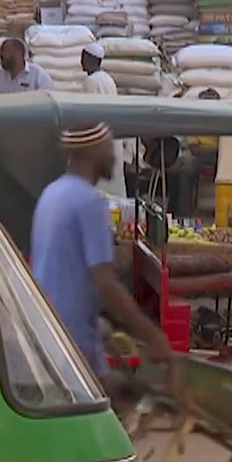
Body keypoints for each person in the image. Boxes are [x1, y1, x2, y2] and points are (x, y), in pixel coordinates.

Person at [31, 124, 176, 380]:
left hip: (47, 335)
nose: (114, 156)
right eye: (109, 148)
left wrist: (100, 325)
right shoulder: (90, 202)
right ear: (92, 152)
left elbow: (60, 273)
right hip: (73, 349)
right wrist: (154, 337)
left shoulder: (50, 193)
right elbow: (105, 285)